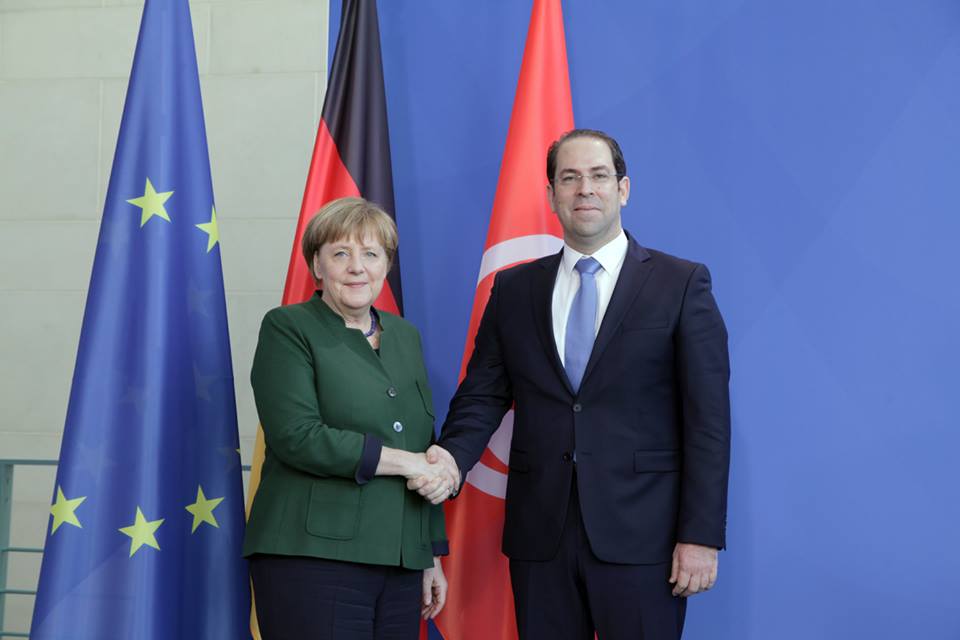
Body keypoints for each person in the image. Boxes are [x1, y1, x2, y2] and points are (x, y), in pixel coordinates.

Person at [415, 129, 731, 639]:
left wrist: (700, 535)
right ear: (551, 195)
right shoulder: (515, 288)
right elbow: (483, 395)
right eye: (570, 178)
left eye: (599, 176)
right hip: (542, 537)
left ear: (623, 189)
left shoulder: (680, 284)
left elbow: (708, 421)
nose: (585, 188)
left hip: (644, 539)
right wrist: (450, 461)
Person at [243, 197, 454, 640]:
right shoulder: (287, 328)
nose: (357, 267)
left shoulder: (404, 335)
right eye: (341, 253)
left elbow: (421, 442)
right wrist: (406, 462)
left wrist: (429, 553)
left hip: (400, 562)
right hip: (312, 558)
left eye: (371, 254)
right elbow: (297, 436)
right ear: (317, 265)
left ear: (386, 265)